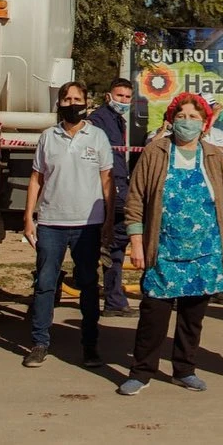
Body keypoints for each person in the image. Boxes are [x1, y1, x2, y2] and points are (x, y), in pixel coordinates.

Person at [117, 93, 223, 395]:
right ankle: (142, 371)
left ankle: (184, 369)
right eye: (181, 116)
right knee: (153, 315)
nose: (187, 122)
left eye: (194, 117)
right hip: (164, 250)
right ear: (172, 119)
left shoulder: (212, 156)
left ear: (205, 123)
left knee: (192, 317)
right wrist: (136, 242)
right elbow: (135, 200)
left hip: (205, 251)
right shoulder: (155, 152)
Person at [23, 81, 115, 368]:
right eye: (67, 98)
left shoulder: (98, 137)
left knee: (88, 285)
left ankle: (90, 345)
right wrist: (29, 217)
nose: (72, 103)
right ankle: (39, 342)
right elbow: (36, 179)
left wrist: (109, 220)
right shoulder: (47, 137)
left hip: (88, 225)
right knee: (45, 284)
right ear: (59, 103)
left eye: (77, 98)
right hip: (51, 222)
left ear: (86, 102)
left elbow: (107, 181)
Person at [89, 77, 136, 317]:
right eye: (120, 96)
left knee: (117, 241)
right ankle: (112, 297)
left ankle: (114, 299)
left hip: (119, 182)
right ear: (109, 95)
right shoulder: (99, 119)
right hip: (110, 185)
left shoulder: (117, 120)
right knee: (126, 230)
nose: (124, 101)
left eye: (128, 97)